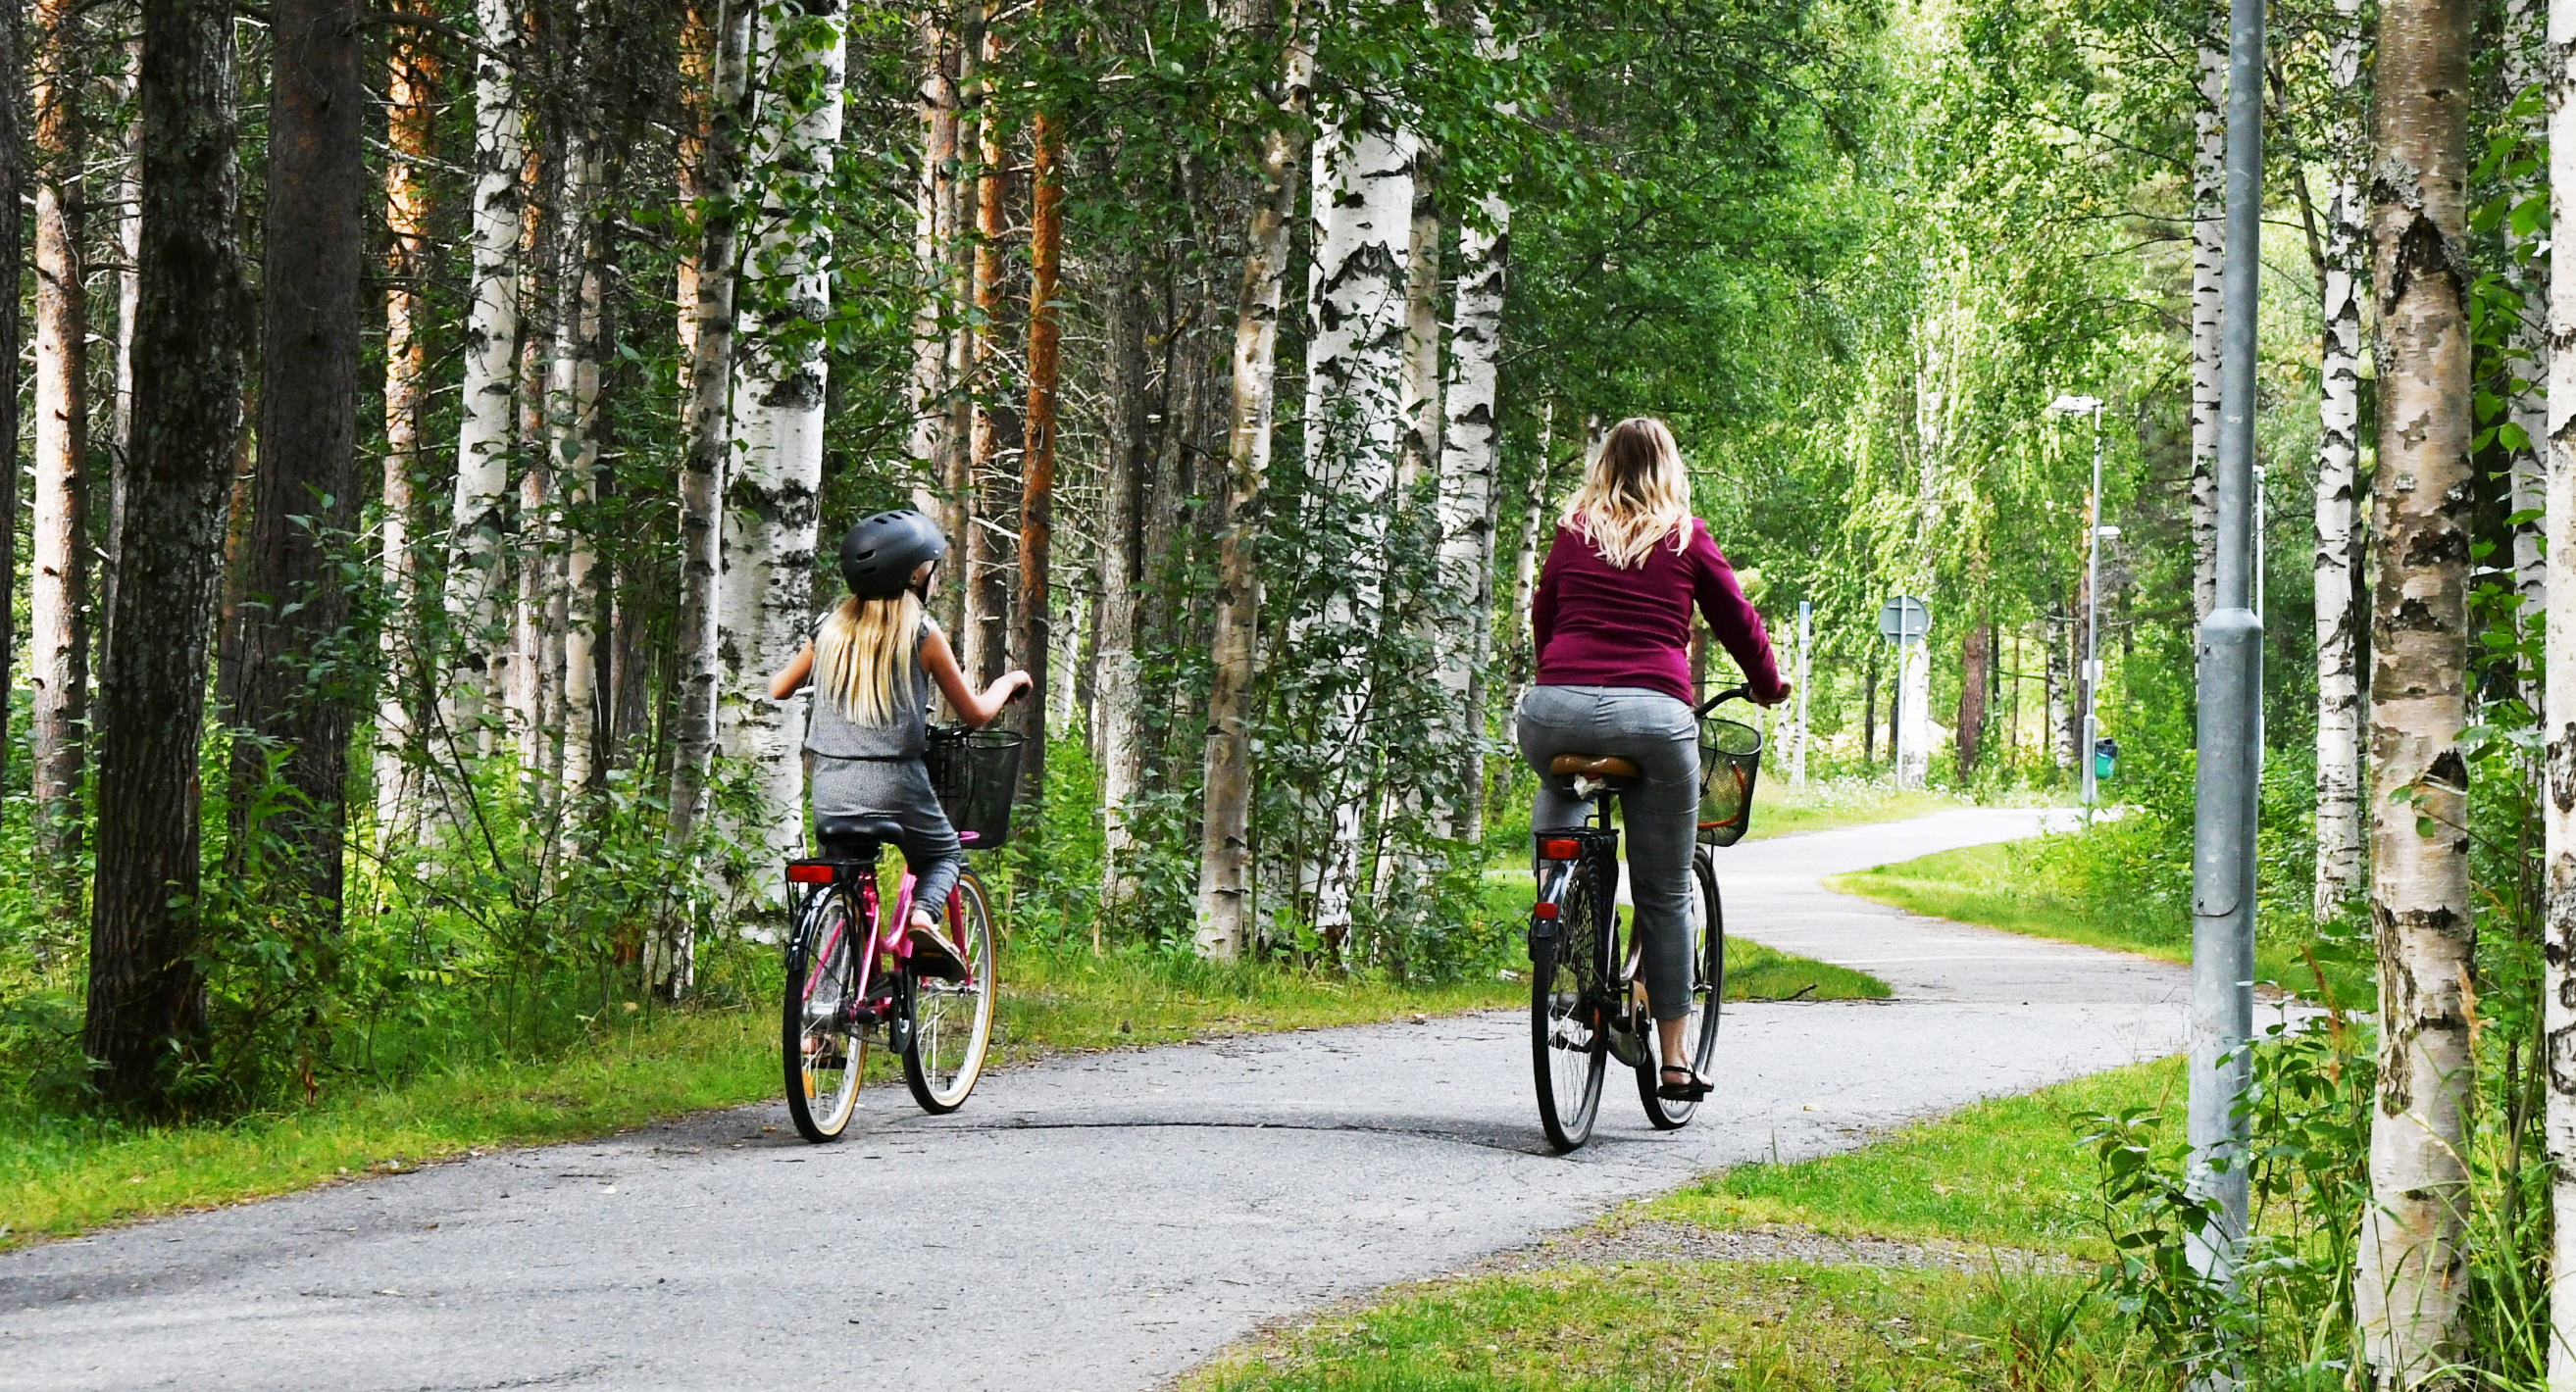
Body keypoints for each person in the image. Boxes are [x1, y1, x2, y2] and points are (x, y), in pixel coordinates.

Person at [1521, 417, 1789, 1101]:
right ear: (1670, 466)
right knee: (1665, 893)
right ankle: (1673, 1061)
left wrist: (1560, 677)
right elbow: (1737, 622)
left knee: (1562, 808)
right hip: (1653, 717)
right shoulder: (1683, 536)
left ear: (1603, 466)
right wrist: (1768, 684)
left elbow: (1543, 617)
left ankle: (1563, 916)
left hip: (1554, 711)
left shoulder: (1571, 531)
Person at [769, 510, 1029, 966]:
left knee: (842, 884)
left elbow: (779, 688)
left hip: (832, 786)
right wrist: (1009, 684)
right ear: (915, 574)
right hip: (897, 785)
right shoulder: (922, 635)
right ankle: (924, 919)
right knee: (944, 853)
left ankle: (822, 1021)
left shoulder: (827, 630)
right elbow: (976, 714)